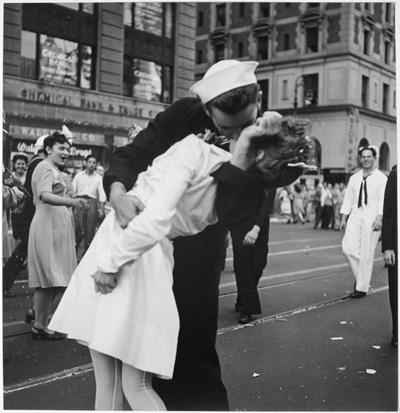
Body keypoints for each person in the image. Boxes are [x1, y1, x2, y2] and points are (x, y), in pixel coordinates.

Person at [49, 111, 309, 410]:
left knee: (120, 383)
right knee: (127, 383)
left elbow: (154, 218)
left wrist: (110, 263)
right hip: (152, 259)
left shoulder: (198, 152)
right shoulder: (234, 188)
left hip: (130, 249)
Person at [27, 132, 87, 339]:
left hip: (55, 226)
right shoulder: (44, 166)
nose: (65, 152)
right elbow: (44, 195)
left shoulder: (54, 169)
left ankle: (39, 320)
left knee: (54, 279)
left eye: (67, 149)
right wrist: (72, 202)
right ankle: (40, 324)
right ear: (49, 149)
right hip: (47, 226)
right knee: (49, 277)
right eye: (61, 148)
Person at [340, 145, 387, 298]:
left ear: (374, 158)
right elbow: (348, 198)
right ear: (360, 159)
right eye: (363, 156)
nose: (366, 159)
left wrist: (380, 218)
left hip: (372, 217)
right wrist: (343, 217)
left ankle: (361, 287)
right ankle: (362, 280)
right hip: (355, 215)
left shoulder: (381, 178)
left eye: (369, 156)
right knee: (348, 248)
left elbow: (383, 200)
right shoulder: (355, 178)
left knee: (367, 253)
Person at [3, 136, 47, 298]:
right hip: (33, 213)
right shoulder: (38, 163)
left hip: (31, 212)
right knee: (23, 251)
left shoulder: (36, 162)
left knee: (25, 251)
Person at [231, 188, 276, 323]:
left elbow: (267, 202)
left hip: (260, 224)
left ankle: (242, 297)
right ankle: (248, 308)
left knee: (259, 263)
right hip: (239, 222)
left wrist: (256, 228)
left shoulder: (269, 172)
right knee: (242, 263)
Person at [72, 155, 106, 252]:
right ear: (85, 163)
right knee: (77, 227)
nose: (91, 164)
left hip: (92, 202)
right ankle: (74, 250)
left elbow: (102, 193)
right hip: (79, 201)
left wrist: (101, 209)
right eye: (89, 162)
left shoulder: (98, 178)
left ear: (96, 165)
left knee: (90, 228)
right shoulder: (79, 175)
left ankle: (86, 254)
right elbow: (73, 190)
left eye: (94, 163)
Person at [381, 165, 397, 347]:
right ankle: (397, 333)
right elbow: (389, 213)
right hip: (397, 244)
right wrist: (388, 247)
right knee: (397, 290)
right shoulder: (396, 173)